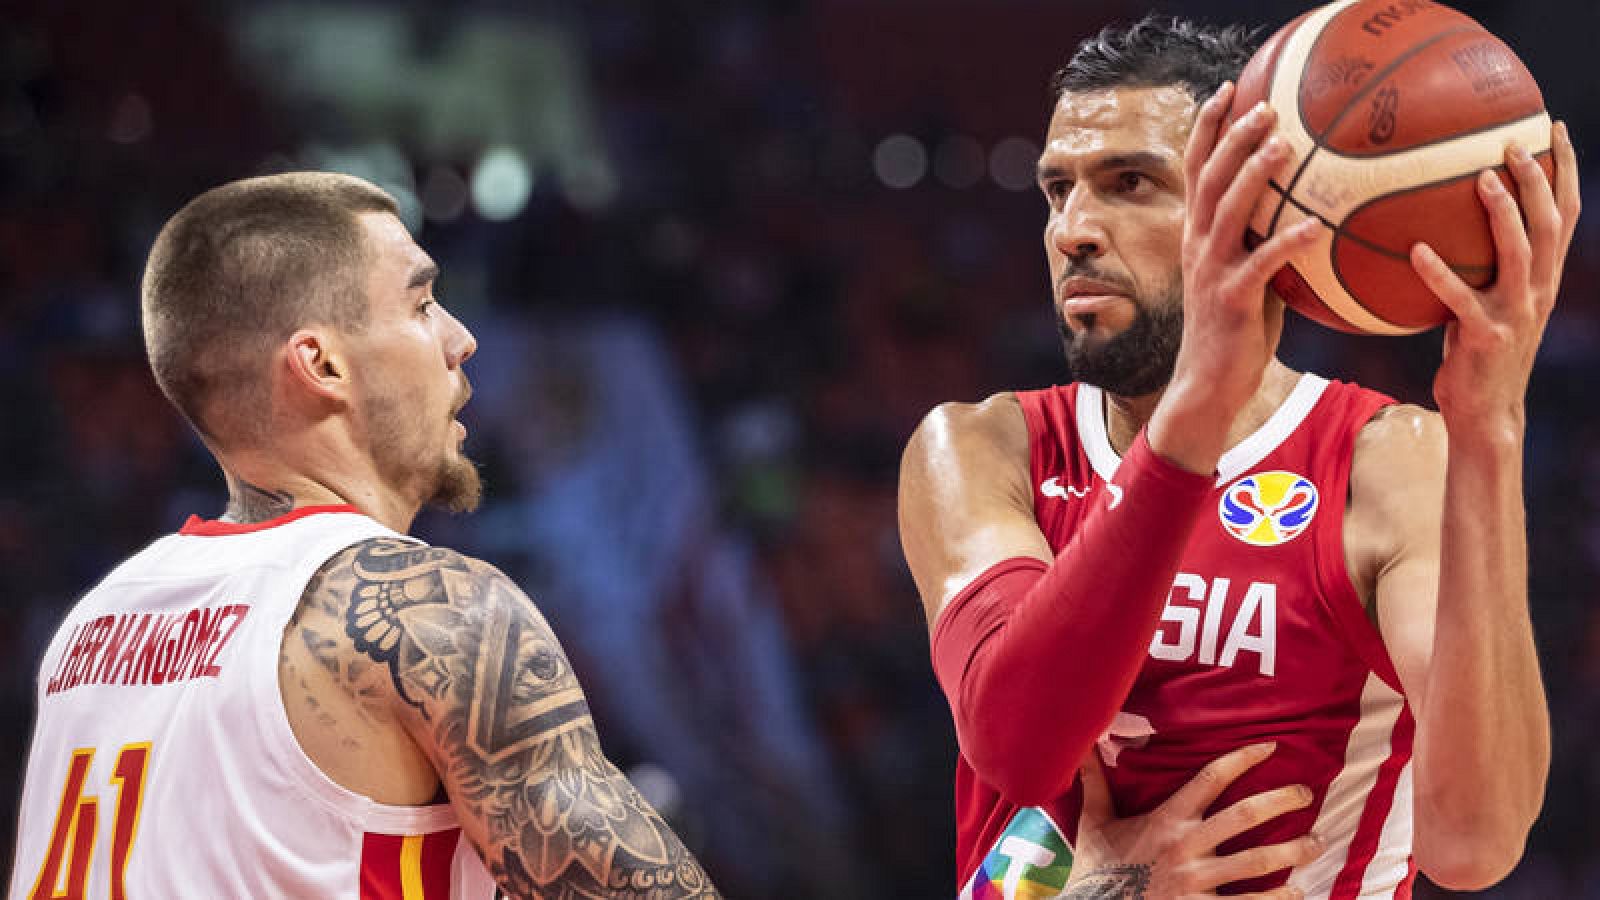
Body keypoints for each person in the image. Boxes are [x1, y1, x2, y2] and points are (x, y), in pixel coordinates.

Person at [900, 15, 1579, 899]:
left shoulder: (1388, 463)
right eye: (1058, 190)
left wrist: (1490, 424)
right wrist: (1114, 890)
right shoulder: (980, 449)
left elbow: (1474, 843)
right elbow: (1017, 746)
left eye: (1131, 183)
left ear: (1263, 210)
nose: (1073, 230)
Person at [9, 173, 720, 898]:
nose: (462, 339)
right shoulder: (427, 612)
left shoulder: (91, 629)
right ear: (322, 364)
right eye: (422, 304)